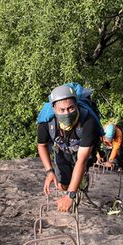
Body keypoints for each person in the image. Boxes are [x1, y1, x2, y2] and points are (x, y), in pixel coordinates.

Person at [37, 84, 100, 212]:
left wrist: (71, 195)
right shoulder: (46, 122)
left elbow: (81, 160)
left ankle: (77, 189)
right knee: (62, 185)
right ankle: (68, 191)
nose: (66, 113)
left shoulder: (88, 122)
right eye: (62, 110)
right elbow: (42, 145)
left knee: (79, 179)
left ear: (76, 105)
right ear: (54, 109)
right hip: (62, 148)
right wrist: (49, 172)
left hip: (82, 149)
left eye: (71, 108)